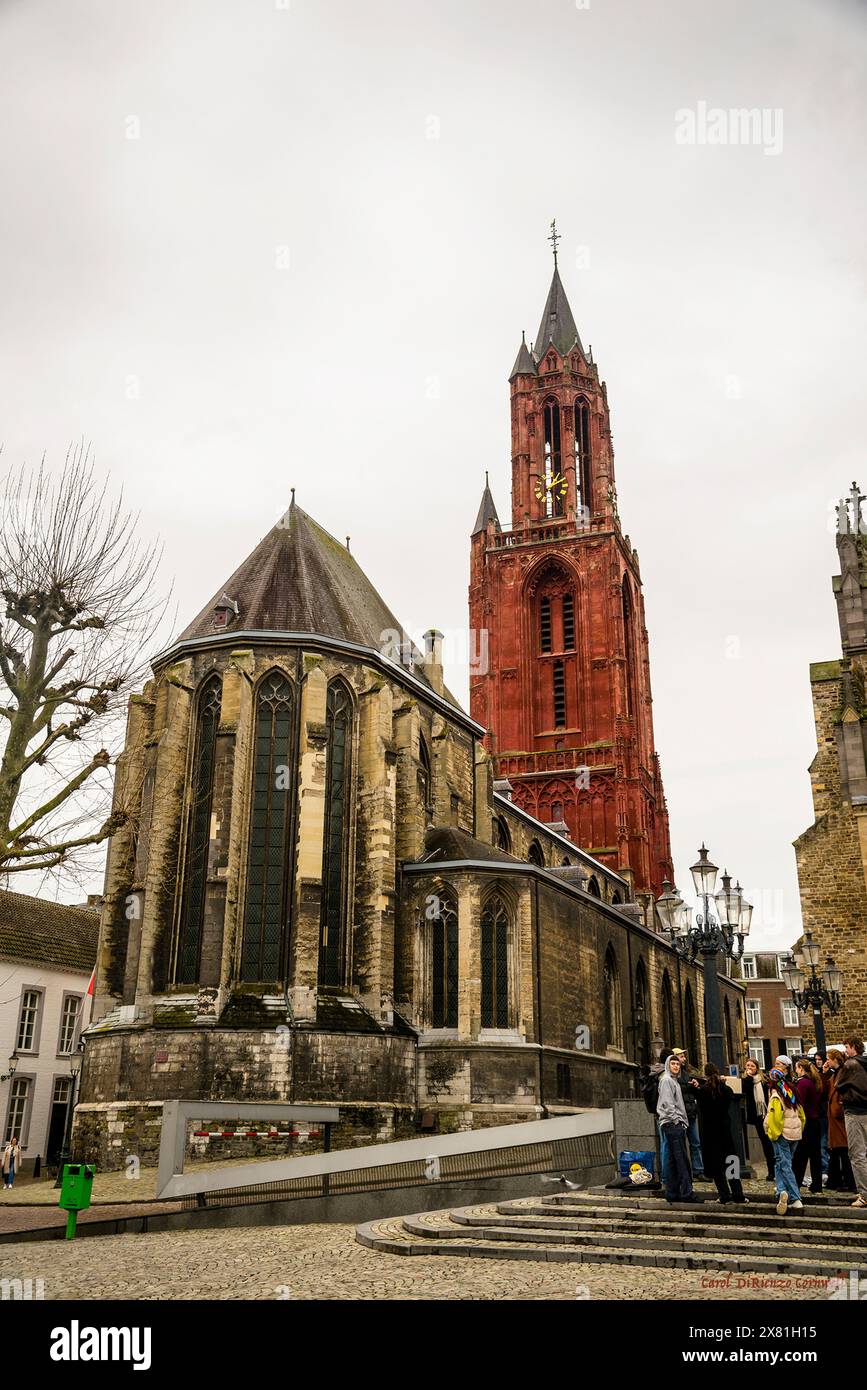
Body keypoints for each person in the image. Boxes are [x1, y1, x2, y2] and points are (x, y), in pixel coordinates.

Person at [696, 1063, 747, 1203]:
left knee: (716, 1165)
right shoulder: (725, 1089)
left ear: (705, 1074)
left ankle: (724, 1195)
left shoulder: (703, 1091)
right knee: (731, 1162)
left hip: (710, 1132)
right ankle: (738, 1194)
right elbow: (730, 1096)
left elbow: (700, 1104)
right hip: (725, 1130)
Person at [657, 1054, 702, 1204]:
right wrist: (678, 1121)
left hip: (674, 1123)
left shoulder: (673, 1081)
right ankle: (687, 1193)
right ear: (668, 1065)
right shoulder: (667, 1081)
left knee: (672, 1160)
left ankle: (672, 1193)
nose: (676, 1066)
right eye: (673, 1063)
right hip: (673, 1124)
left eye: (677, 1064)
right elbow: (668, 1104)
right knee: (682, 1160)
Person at [764, 1066, 806, 1216]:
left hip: (783, 1134)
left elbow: (774, 1118)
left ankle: (795, 1197)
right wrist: (799, 1129)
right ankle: (781, 1191)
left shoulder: (776, 1096)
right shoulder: (792, 1091)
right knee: (781, 1163)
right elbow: (802, 1115)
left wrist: (772, 1133)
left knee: (785, 1165)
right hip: (795, 1133)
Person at [834, 1035, 867, 1209]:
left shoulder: (850, 1065)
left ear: (853, 1046)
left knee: (857, 1154)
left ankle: (865, 1194)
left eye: (846, 1046)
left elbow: (838, 1085)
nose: (845, 1050)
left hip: (855, 1112)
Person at [669, 1046, 706, 1180]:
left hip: (690, 1113)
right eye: (681, 1056)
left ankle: (698, 1170)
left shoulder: (687, 1073)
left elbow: (693, 1093)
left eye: (683, 1057)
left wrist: (695, 1086)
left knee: (695, 1143)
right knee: (681, 1145)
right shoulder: (672, 1076)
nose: (683, 1059)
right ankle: (685, 1172)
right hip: (680, 1115)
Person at [824, 1049, 856, 1192]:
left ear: (835, 1059)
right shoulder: (835, 1074)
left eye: (828, 1059)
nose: (827, 1061)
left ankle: (849, 1182)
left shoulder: (842, 1072)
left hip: (839, 1118)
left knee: (843, 1151)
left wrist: (839, 1109)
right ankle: (835, 1180)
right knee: (837, 1151)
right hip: (835, 1118)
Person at [792, 1057, 824, 1195]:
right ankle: (817, 1185)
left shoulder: (803, 1083)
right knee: (815, 1155)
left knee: (800, 1156)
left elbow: (799, 1103)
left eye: (796, 1067)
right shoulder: (813, 1082)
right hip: (815, 1122)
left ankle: (796, 1184)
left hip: (807, 1122)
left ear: (800, 1069)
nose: (795, 1070)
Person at [742, 1057, 775, 1181]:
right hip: (757, 1116)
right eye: (748, 1066)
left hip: (767, 1114)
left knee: (769, 1142)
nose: (750, 1068)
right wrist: (749, 1077)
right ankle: (771, 1171)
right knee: (765, 1142)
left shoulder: (763, 1080)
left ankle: (773, 1169)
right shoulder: (746, 1080)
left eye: (752, 1066)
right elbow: (746, 1088)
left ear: (757, 1068)